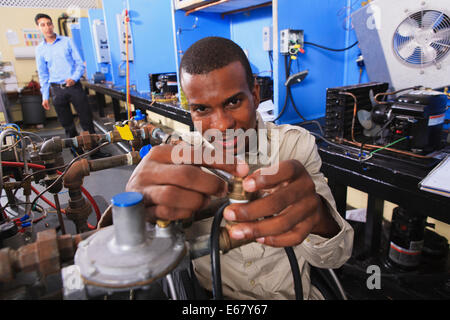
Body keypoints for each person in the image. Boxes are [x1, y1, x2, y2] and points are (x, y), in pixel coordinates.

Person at [126, 37, 354, 300]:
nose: (222, 125)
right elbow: (144, 262)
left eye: (233, 102)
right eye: (202, 109)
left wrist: (317, 215)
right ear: (190, 110)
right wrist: (135, 213)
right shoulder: (182, 159)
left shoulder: (294, 145)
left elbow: (336, 256)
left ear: (255, 95)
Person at [34, 13, 110, 159]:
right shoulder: (40, 49)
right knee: (67, 125)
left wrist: (74, 78)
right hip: (57, 90)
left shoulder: (66, 41)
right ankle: (76, 153)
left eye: (49, 23)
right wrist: (44, 96)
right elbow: (43, 74)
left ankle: (94, 151)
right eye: (43, 25)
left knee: (86, 120)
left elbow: (79, 64)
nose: (47, 27)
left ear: (52, 25)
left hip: (74, 87)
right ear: (38, 27)